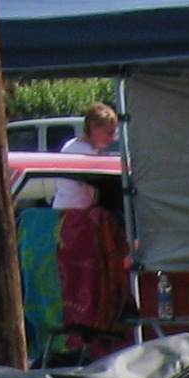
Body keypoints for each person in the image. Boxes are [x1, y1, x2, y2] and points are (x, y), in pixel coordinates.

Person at [52, 102, 129, 358]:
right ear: (93, 127)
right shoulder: (81, 153)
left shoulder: (77, 149)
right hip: (77, 219)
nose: (112, 137)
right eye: (108, 131)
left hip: (73, 216)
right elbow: (92, 190)